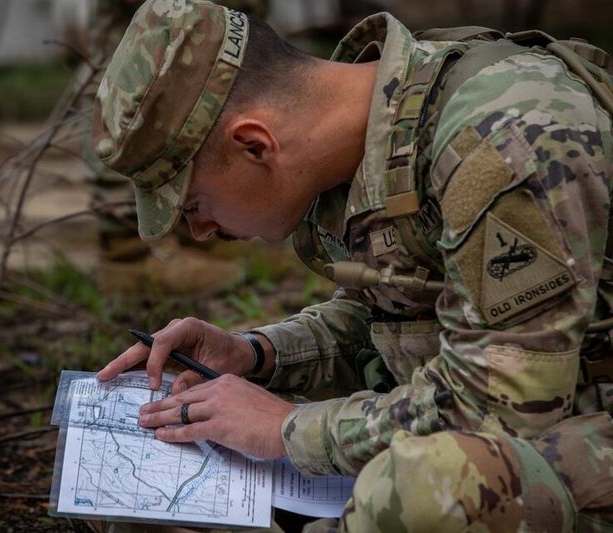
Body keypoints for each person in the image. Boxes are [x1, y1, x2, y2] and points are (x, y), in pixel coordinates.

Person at [93, 0, 613, 530]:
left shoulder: (501, 137)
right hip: (547, 418)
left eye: (194, 206)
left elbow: (501, 405)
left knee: (423, 494)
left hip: (565, 421)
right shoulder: (371, 144)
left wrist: (290, 429)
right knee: (155, 486)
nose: (200, 231)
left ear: (254, 145)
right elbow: (405, 318)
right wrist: (255, 354)